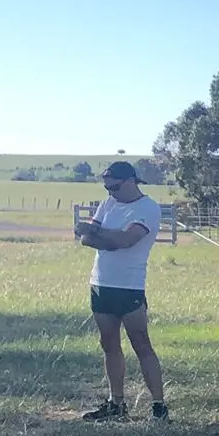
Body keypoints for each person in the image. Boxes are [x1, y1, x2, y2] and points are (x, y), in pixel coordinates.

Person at [75, 161, 168, 422]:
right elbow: (87, 239)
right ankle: (116, 404)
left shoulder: (148, 208)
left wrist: (99, 233)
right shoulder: (108, 204)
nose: (110, 192)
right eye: (107, 187)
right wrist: (107, 238)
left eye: (114, 187)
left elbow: (127, 240)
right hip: (101, 283)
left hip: (130, 285)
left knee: (142, 345)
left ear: (130, 181)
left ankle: (159, 406)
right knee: (109, 345)